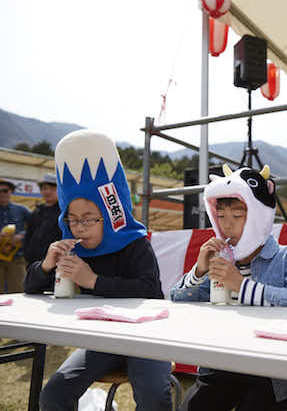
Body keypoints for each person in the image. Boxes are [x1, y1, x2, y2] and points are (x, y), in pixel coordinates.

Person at [23, 130, 172, 411]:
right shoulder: (72, 247)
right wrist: (46, 265)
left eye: (89, 219)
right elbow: (30, 287)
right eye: (73, 219)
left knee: (153, 397)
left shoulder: (134, 244)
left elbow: (149, 290)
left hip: (149, 338)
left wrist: (92, 280)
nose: (79, 227)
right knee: (54, 395)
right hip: (101, 341)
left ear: (110, 213)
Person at [170, 164, 287, 411]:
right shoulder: (222, 258)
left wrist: (241, 285)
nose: (227, 226)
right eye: (221, 217)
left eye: (238, 216)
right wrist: (198, 271)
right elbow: (178, 299)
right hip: (221, 366)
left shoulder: (286, 256)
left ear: (259, 216)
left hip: (271, 372)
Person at [24, 173, 62, 266]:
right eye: (44, 188)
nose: (48, 192)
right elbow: (29, 234)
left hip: (54, 262)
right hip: (33, 262)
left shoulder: (64, 212)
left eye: (52, 188)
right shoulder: (36, 211)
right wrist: (26, 253)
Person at [0, 178, 30, 293]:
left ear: (11, 192)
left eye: (5, 190)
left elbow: (34, 229)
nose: (1, 193)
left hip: (17, 258)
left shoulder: (22, 210)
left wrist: (21, 236)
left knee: (19, 292)